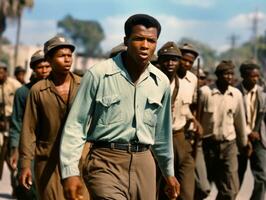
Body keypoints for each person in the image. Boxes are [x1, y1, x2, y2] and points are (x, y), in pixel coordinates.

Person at [60, 14, 179, 200]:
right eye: (139, 39)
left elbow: (162, 135)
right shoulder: (98, 75)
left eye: (151, 40)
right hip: (106, 161)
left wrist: (169, 173)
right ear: (126, 40)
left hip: (144, 164)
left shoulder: (161, 82)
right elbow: (76, 125)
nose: (145, 45)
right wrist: (70, 172)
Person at [19, 36, 88, 200]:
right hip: (48, 160)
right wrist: (25, 164)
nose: (67, 59)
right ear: (49, 59)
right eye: (61, 56)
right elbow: (29, 130)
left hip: (80, 159)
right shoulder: (38, 90)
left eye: (69, 55)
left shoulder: (84, 85)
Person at [198, 60, 248, 200]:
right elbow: (198, 118)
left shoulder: (236, 94)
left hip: (229, 145)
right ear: (218, 75)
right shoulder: (205, 92)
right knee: (202, 187)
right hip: (207, 145)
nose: (229, 77)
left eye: (231, 74)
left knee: (231, 189)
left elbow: (240, 122)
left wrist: (243, 144)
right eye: (226, 74)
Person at [8, 50, 51, 199]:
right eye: (40, 67)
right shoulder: (23, 92)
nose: (44, 70)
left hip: (52, 146)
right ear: (33, 69)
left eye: (47, 66)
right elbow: (16, 123)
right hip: (30, 146)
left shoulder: (59, 90)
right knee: (28, 185)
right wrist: (15, 149)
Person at [237, 60, 266, 200]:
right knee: (237, 177)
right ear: (244, 76)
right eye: (252, 76)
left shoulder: (262, 92)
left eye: (257, 76)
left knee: (262, 176)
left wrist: (256, 131)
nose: (255, 79)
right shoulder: (235, 92)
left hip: (259, 138)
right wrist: (248, 133)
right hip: (240, 139)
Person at [0, 61, 21, 196]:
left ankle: (16, 187)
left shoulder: (14, 85)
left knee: (12, 159)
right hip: (0, 127)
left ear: (6, 72)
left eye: (2, 71)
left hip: (12, 124)